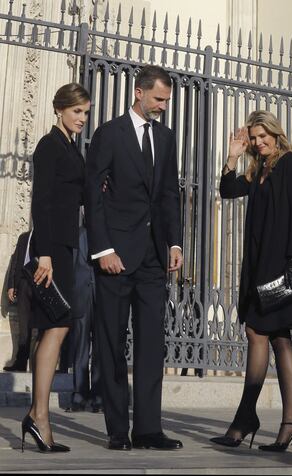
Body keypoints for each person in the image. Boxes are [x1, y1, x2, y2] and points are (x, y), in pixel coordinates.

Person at [85, 65, 183, 451]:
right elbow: (93, 195)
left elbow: (169, 196)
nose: (162, 106)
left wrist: (174, 244)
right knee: (110, 342)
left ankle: (147, 429)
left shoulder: (167, 137)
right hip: (115, 256)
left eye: (166, 101)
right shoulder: (109, 134)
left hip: (153, 259)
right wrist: (103, 248)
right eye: (158, 99)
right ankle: (116, 431)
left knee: (150, 342)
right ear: (139, 92)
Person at [210, 111, 292, 452]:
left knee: (260, 333)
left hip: (281, 265)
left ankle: (248, 419)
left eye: (262, 135)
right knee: (279, 338)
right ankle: (290, 420)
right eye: (253, 138)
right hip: (258, 266)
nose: (258, 142)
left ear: (275, 133)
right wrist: (232, 157)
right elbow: (227, 190)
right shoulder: (258, 171)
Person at [21, 83, 91, 453]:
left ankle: (36, 415)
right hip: (53, 252)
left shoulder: (70, 148)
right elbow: (41, 202)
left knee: (58, 327)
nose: (82, 118)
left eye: (85, 112)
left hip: (65, 247)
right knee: (56, 326)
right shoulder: (49, 146)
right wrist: (44, 254)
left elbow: (76, 195)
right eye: (77, 111)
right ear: (60, 109)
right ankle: (39, 417)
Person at [66, 224, 102, 413]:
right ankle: (79, 396)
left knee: (99, 349)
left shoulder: (107, 232)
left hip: (101, 297)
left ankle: (98, 397)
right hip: (80, 297)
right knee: (80, 349)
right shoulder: (76, 234)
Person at [4, 230, 33, 372]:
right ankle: (20, 362)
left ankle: (40, 364)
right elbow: (15, 261)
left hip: (42, 285)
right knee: (24, 327)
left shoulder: (49, 235)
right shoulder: (24, 237)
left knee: (42, 328)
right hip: (23, 284)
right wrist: (11, 285)